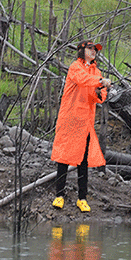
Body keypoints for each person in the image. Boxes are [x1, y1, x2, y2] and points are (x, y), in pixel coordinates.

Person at [50, 40, 111, 212]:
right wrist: (100, 81)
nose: (94, 52)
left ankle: (81, 198)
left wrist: (100, 91)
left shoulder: (96, 71)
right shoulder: (75, 67)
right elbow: (83, 80)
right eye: (90, 49)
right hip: (70, 118)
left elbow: (99, 97)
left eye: (95, 50)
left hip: (85, 121)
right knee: (63, 157)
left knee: (83, 160)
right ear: (81, 50)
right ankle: (59, 195)